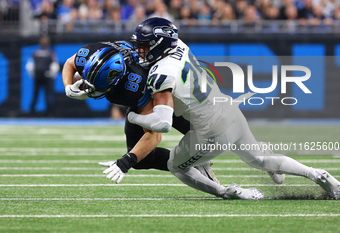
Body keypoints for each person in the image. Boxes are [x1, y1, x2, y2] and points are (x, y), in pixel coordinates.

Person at [107, 17, 340, 199]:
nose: (140, 51)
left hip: (211, 133)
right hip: (229, 111)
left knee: (175, 166)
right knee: (259, 159)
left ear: (159, 45)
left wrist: (135, 117)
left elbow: (163, 124)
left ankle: (225, 192)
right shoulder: (180, 46)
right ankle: (317, 174)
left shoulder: (161, 75)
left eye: (145, 46)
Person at [62, 40, 263, 199]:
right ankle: (196, 164)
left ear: (118, 79)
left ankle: (252, 162)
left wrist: (126, 161)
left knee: (204, 135)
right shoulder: (89, 54)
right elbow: (70, 63)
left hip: (166, 93)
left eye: (98, 87)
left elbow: (154, 134)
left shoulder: (135, 85)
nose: (91, 90)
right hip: (147, 90)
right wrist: (68, 87)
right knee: (143, 160)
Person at [26, 35, 59, 115]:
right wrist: (51, 74)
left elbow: (29, 66)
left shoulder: (36, 53)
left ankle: (32, 112)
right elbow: (55, 66)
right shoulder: (50, 53)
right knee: (46, 95)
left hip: (38, 76)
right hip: (45, 76)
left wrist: (33, 74)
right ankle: (48, 113)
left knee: (37, 94)